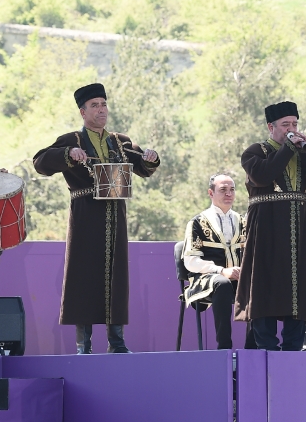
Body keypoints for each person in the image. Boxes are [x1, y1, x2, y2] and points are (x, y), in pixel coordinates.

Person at [33, 83, 160, 354]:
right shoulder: (72, 140)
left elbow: (144, 166)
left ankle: (117, 343)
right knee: (84, 277)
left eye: (103, 104)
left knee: (116, 277)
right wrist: (68, 155)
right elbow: (40, 162)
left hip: (116, 217)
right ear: (83, 112)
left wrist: (151, 158)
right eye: (94, 106)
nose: (101, 110)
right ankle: (84, 346)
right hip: (86, 218)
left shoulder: (120, 141)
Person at [234, 101, 306, 351]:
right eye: (286, 124)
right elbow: (262, 175)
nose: (292, 129)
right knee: (265, 283)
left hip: (300, 228)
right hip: (267, 228)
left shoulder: (301, 152)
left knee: (299, 286)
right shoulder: (255, 151)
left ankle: (292, 349)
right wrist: (288, 148)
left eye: (295, 124)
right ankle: (266, 347)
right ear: (271, 127)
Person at [182, 173, 254, 349]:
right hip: (207, 278)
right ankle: (224, 347)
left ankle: (253, 347)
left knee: (258, 283)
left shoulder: (243, 221)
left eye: (232, 189)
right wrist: (221, 271)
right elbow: (190, 261)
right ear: (211, 193)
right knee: (222, 283)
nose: (229, 194)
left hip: (238, 278)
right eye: (223, 190)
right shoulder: (197, 222)